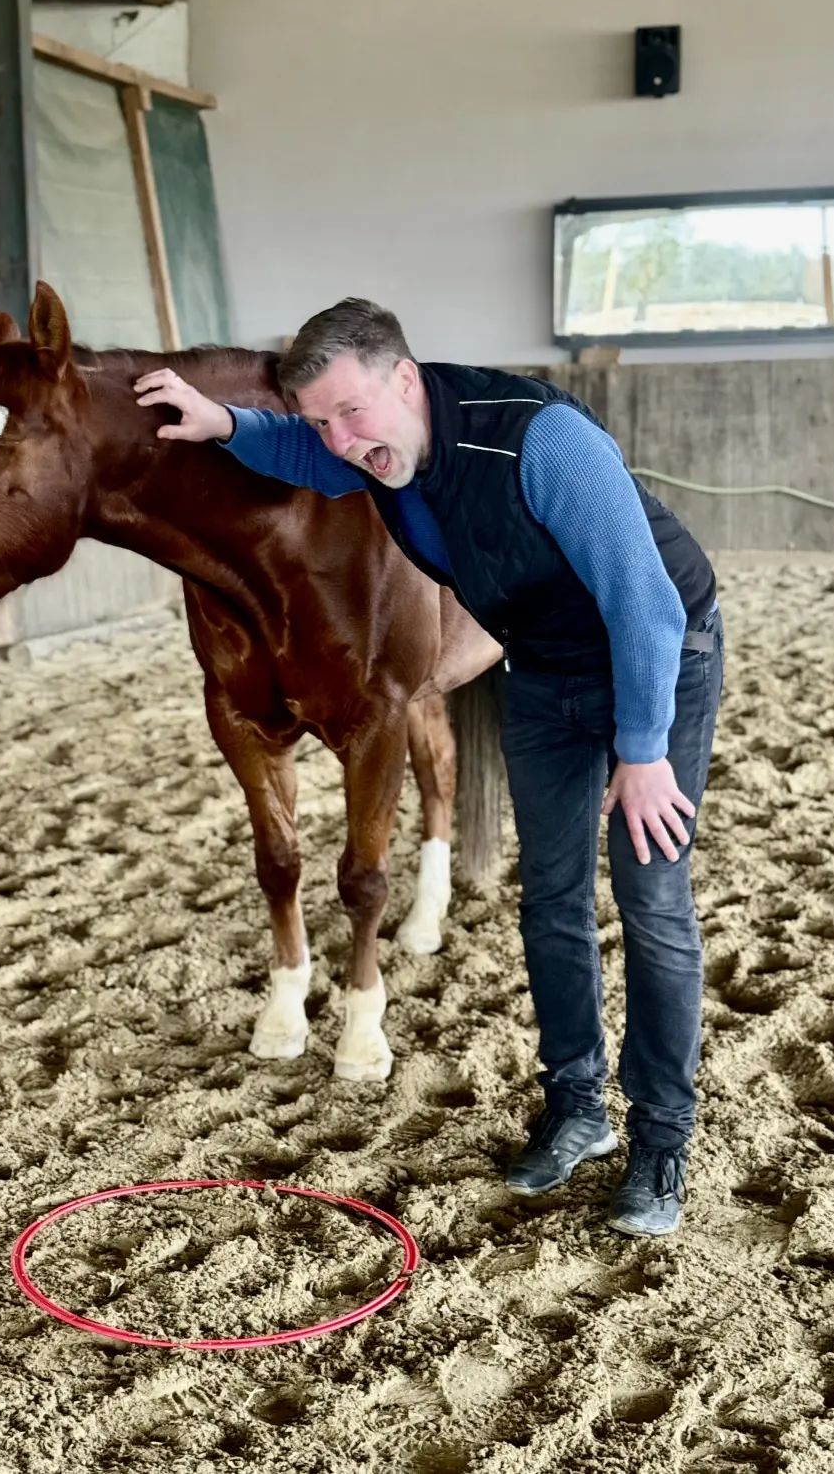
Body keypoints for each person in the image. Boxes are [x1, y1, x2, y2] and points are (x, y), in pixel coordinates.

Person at [133, 299, 723, 1237]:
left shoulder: (540, 441)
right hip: (541, 665)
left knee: (650, 901)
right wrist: (225, 425)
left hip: (656, 655)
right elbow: (297, 450)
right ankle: (578, 1111)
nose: (340, 439)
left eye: (352, 413)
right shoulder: (371, 446)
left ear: (405, 379)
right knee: (552, 898)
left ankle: (661, 1141)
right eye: (323, 420)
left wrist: (642, 751)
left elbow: (643, 602)